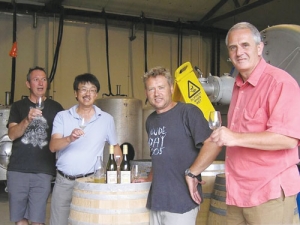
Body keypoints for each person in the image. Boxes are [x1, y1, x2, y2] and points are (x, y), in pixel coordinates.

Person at [186, 22, 300, 224]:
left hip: (269, 195)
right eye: (233, 47)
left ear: (259, 48)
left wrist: (234, 137)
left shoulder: (280, 83)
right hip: (238, 194)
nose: (239, 52)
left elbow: (288, 139)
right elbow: (221, 138)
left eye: (245, 45)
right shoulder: (239, 86)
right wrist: (192, 172)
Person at [142, 66, 221, 225]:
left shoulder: (188, 112)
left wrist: (192, 173)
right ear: (146, 93)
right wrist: (148, 178)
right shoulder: (150, 121)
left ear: (171, 88)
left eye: (161, 87)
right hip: (157, 200)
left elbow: (213, 144)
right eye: (151, 89)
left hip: (181, 201)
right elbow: (158, 156)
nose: (156, 93)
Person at [49, 73, 122, 225]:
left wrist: (119, 169)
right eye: (83, 89)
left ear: (96, 94)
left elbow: (115, 147)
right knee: (58, 222)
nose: (87, 93)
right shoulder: (62, 116)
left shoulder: (106, 119)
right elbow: (53, 146)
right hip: (64, 181)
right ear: (76, 93)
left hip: (90, 181)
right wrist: (70, 138)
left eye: (92, 90)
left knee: (88, 221)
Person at [7, 66, 64, 225]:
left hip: (43, 170)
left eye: (44, 79)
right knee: (20, 220)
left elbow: (61, 138)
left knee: (37, 220)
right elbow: (12, 134)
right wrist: (27, 119)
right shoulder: (18, 106)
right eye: (36, 79)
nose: (41, 83)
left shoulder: (56, 108)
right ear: (28, 84)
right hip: (18, 169)